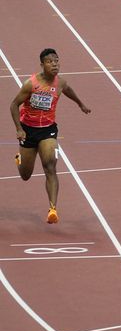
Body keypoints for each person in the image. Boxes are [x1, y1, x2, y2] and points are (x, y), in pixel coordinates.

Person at [10, 48, 91, 224]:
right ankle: (19, 159)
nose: (54, 64)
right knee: (25, 175)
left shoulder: (60, 83)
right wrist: (19, 129)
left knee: (50, 166)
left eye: (56, 61)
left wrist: (81, 104)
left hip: (48, 130)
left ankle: (52, 208)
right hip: (28, 130)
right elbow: (13, 105)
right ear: (42, 65)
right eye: (50, 61)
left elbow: (68, 90)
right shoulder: (30, 84)